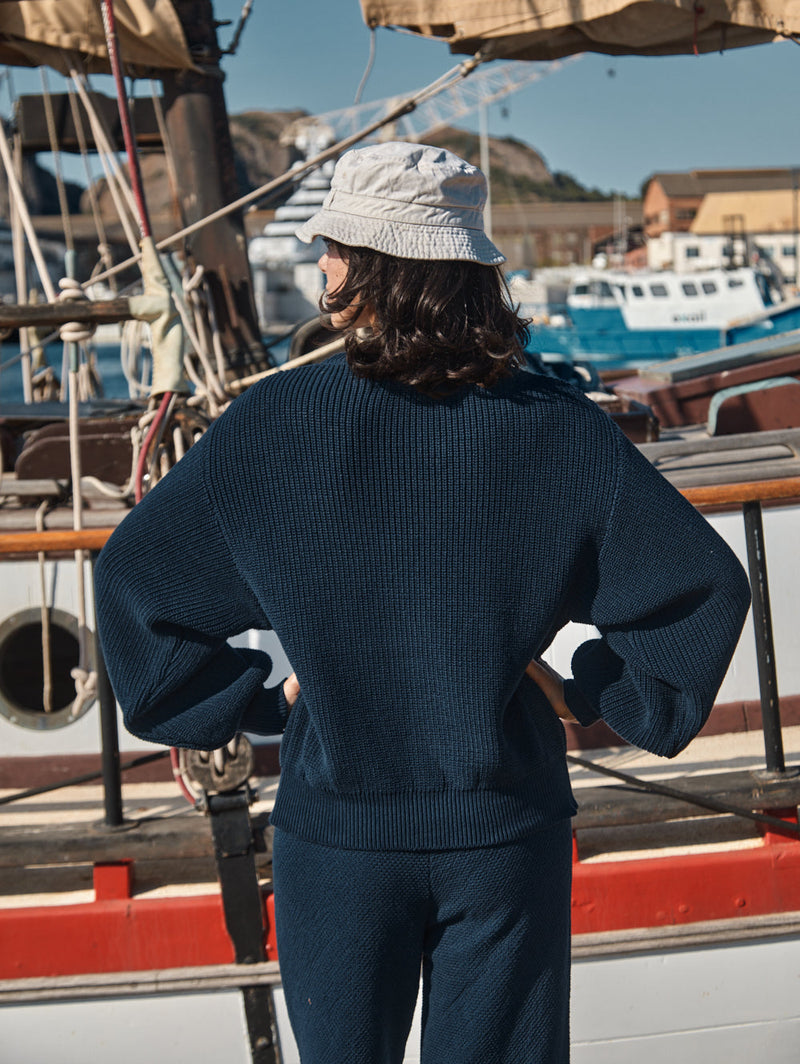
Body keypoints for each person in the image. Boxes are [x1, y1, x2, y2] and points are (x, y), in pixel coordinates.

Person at [94, 141, 750, 1064]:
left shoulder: (271, 427)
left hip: (338, 838)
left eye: (332, 246)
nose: (320, 264)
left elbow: (135, 583)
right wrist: (588, 687)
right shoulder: (557, 427)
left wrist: (255, 699)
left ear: (370, 266)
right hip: (506, 831)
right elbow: (701, 590)